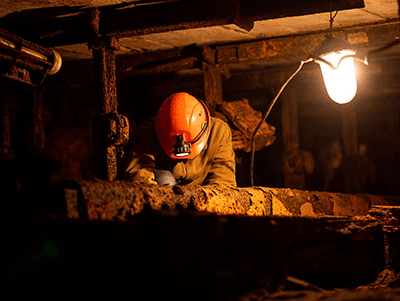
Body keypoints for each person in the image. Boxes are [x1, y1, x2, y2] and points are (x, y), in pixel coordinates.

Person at [123, 92, 236, 187]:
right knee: (165, 179)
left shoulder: (219, 132)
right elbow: (138, 174)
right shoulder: (149, 131)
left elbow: (223, 181)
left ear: (204, 130)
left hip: (202, 198)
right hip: (164, 193)